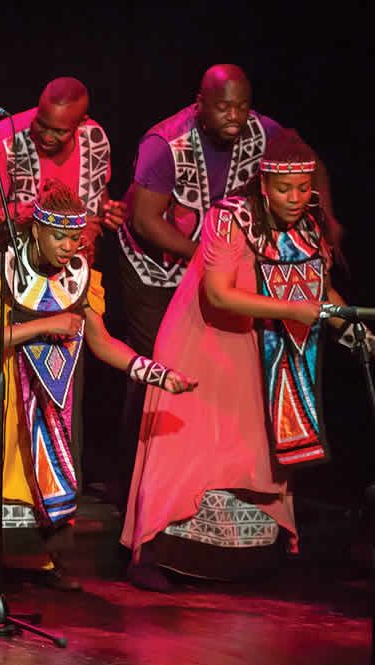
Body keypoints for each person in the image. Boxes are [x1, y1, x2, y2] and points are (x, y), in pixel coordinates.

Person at [0, 179, 196, 599]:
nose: (70, 247)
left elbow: (99, 341)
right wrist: (46, 326)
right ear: (36, 230)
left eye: (75, 238)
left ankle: (37, 558)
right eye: (60, 238)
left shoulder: (77, 269)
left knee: (26, 448)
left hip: (21, 349)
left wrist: (155, 373)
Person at [122, 131, 363, 592]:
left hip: (258, 347)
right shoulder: (229, 218)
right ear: (264, 185)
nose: (294, 198)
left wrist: (352, 328)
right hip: (204, 340)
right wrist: (293, 311)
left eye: (303, 188)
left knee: (251, 447)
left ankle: (247, 558)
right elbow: (218, 293)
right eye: (284, 189)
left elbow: (318, 289)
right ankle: (152, 551)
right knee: (187, 447)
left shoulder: (307, 224)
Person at [110, 65, 285, 508]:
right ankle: (135, 483)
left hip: (219, 269)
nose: (235, 115)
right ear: (200, 103)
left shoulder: (264, 132)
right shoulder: (165, 143)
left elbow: (307, 163)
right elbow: (145, 221)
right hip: (157, 270)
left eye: (242, 106)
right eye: (224, 106)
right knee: (157, 365)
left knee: (220, 364)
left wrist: (329, 220)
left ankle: (206, 476)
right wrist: (205, 258)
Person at [0, 77, 123, 234]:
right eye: (41, 124)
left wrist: (109, 214)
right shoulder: (0, 142)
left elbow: (96, 207)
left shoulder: (94, 139)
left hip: (70, 254)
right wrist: (64, 224)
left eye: (60, 131)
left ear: (81, 122)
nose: (47, 137)